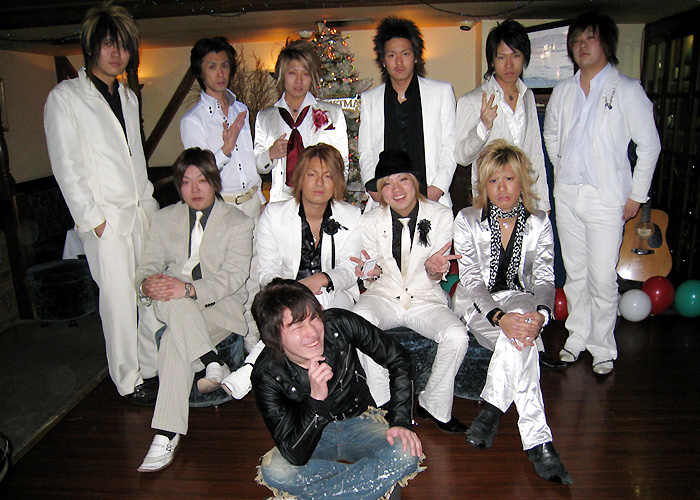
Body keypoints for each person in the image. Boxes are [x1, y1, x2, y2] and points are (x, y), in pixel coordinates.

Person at [44, 1, 161, 404]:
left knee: (148, 295)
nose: (117, 53)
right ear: (91, 46)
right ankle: (128, 381)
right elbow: (66, 167)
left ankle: (150, 367)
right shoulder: (65, 98)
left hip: (138, 214)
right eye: (109, 44)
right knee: (118, 304)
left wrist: (148, 205)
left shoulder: (127, 96)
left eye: (124, 46)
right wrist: (93, 220)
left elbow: (136, 158)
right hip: (105, 221)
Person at [543, 11, 661, 375]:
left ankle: (602, 347)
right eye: (576, 40)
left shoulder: (626, 90)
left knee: (601, 278)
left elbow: (650, 145)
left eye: (589, 38)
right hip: (567, 194)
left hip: (605, 198)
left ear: (605, 43)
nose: (582, 46)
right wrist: (562, 169)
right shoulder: (563, 91)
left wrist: (636, 195)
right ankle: (576, 338)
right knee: (575, 274)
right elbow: (551, 135)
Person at [452, 140, 572, 485]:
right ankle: (539, 444)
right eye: (493, 180)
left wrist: (542, 315)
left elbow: (544, 278)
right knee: (522, 342)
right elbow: (471, 280)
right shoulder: (467, 219)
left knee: (520, 331)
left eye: (509, 178)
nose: (502, 188)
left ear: (522, 182)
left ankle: (492, 410)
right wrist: (498, 318)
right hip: (478, 305)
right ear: (483, 185)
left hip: (521, 302)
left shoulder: (539, 222)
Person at [135, 148, 253, 472]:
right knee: (164, 288)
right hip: (174, 303)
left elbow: (233, 277)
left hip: (219, 307)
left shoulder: (238, 222)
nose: (194, 189)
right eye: (186, 182)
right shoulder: (163, 219)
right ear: (178, 186)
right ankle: (211, 360)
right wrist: (146, 285)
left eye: (201, 180)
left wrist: (187, 289)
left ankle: (166, 434)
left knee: (172, 339)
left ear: (214, 181)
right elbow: (146, 267)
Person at [251, 279, 423, 500]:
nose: (312, 332)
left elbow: (399, 359)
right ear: (273, 336)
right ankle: (376, 484)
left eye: (314, 317)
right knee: (276, 470)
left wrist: (400, 421)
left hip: (360, 419)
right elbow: (295, 454)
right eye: (297, 326)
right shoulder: (266, 374)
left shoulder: (340, 324)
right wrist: (316, 401)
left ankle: (336, 491)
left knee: (406, 452)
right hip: (313, 435)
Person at [221, 143, 361, 400]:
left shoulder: (351, 216)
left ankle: (250, 368)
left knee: (319, 304)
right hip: (286, 295)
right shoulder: (275, 215)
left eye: (328, 175)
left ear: (337, 182)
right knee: (296, 310)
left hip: (336, 292)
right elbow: (267, 273)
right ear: (299, 178)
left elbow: (350, 269)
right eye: (312, 174)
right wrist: (296, 292)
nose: (319, 182)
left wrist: (321, 279)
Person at [352, 150, 468, 434]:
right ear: (381, 192)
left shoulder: (441, 215)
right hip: (384, 295)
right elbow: (370, 268)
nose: (396, 189)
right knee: (359, 321)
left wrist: (434, 270)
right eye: (387, 183)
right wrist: (369, 273)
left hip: (424, 298)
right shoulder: (369, 221)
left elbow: (436, 272)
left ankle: (434, 404)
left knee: (457, 335)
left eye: (403, 179)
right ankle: (385, 402)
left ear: (415, 182)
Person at [180, 36, 262, 351]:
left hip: (252, 201)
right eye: (212, 66)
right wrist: (225, 149)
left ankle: (258, 340)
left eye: (225, 65)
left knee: (257, 274)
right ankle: (242, 342)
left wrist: (261, 194)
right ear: (200, 71)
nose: (220, 72)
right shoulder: (193, 121)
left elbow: (249, 161)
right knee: (233, 279)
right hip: (224, 208)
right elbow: (198, 176)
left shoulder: (241, 108)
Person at [358, 16, 457, 208]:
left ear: (416, 56)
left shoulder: (442, 92)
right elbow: (365, 151)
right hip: (385, 199)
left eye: (405, 54)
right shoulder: (370, 99)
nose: (399, 62)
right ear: (383, 60)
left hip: (431, 196)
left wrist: (438, 188)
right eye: (391, 55)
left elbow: (450, 145)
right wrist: (374, 188)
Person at [456, 19, 550, 213]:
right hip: (490, 201)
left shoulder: (527, 96)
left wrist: (543, 205)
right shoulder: (472, 100)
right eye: (501, 57)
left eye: (515, 55)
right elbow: (462, 156)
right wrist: (482, 127)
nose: (509, 64)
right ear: (492, 60)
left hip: (525, 200)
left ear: (524, 58)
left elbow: (534, 153)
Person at [254, 39, 349, 203]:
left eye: (305, 74)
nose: (299, 80)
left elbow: (342, 163)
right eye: (292, 73)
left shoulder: (332, 113)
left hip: (320, 198)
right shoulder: (265, 117)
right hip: (282, 201)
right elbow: (257, 165)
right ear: (282, 75)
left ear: (312, 77)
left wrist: (334, 198)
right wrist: (270, 154)